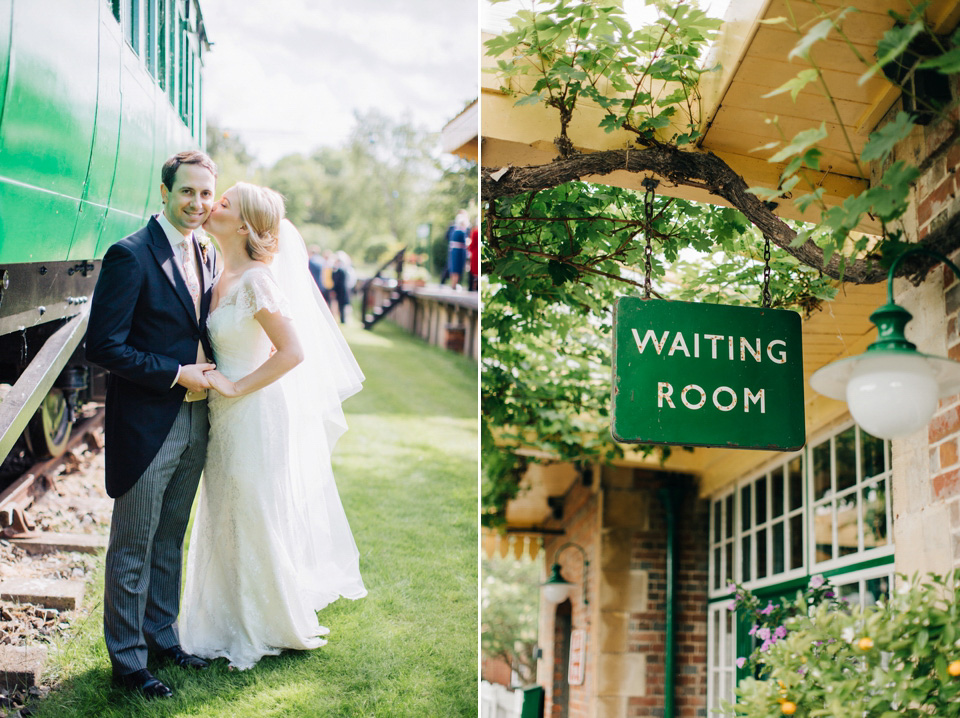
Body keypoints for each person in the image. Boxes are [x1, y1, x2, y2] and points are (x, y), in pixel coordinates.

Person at [179, 182, 366, 670]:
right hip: (224, 413)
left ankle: (265, 621)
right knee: (227, 508)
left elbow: (293, 352)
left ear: (242, 225)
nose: (209, 204)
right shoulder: (222, 271)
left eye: (222, 202)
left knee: (252, 509)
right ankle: (221, 618)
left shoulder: (256, 282)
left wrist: (237, 388)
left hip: (255, 410)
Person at [86, 150, 220, 699]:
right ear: (163, 192)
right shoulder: (130, 255)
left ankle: (163, 637)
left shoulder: (207, 253)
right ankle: (129, 661)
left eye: (206, 194)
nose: (197, 203)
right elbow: (105, 345)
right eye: (187, 192)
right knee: (134, 545)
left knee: (170, 538)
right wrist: (176, 373)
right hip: (147, 423)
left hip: (197, 420)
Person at [446, 210, 469, 290]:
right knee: (456, 268)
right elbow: (464, 242)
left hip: (454, 251)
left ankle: (453, 284)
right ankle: (454, 284)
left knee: (454, 268)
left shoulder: (454, 230)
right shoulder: (460, 231)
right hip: (458, 251)